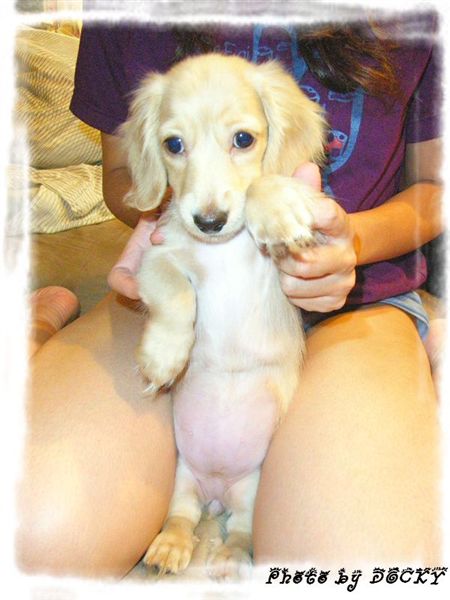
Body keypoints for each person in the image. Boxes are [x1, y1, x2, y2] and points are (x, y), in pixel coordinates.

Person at [17, 13, 443, 577]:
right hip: (190, 295)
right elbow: (125, 174)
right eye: (176, 144)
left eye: (243, 140)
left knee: (359, 569)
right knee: (32, 537)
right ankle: (38, 324)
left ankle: (413, 350)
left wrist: (351, 241)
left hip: (363, 296)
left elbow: (436, 187)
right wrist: (163, 224)